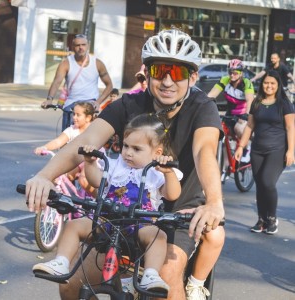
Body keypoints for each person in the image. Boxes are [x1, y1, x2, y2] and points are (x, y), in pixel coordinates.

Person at [25, 28, 225, 300]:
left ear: (192, 77)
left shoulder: (202, 107)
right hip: (124, 213)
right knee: (72, 285)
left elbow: (205, 150)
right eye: (159, 71)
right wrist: (45, 176)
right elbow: (87, 140)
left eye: (177, 73)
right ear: (148, 72)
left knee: (166, 279)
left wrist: (214, 201)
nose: (167, 81)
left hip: (178, 214)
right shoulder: (129, 104)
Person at [32, 113, 182, 293]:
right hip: (106, 221)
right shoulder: (115, 165)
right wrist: (90, 163)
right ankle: (61, 262)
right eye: (125, 146)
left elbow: (172, 194)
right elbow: (96, 181)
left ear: (157, 153)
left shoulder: (155, 172)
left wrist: (168, 173)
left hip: (140, 224)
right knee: (73, 225)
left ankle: (151, 274)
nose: (128, 152)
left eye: (136, 149)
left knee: (159, 236)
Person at [235, 70, 295, 234]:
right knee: (260, 185)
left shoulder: (284, 103)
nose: (269, 86)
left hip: (277, 150)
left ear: (277, 85)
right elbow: (249, 126)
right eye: (266, 83)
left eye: (272, 83)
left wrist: (291, 150)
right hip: (257, 150)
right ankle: (261, 219)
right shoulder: (257, 102)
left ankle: (272, 218)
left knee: (268, 182)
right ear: (262, 84)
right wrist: (241, 146)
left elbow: (290, 127)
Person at [42, 33, 113, 130]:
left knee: (88, 139)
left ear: (88, 46)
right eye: (77, 45)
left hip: (89, 104)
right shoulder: (66, 63)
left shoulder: (97, 63)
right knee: (66, 138)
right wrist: (49, 99)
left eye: (83, 45)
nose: (81, 48)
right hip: (71, 105)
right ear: (72, 47)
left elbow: (109, 85)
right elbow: (56, 82)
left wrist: (98, 102)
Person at [35, 102, 97, 197]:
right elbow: (58, 142)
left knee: (83, 180)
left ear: (88, 118)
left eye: (78, 115)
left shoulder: (95, 130)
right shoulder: (72, 130)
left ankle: (100, 202)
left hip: (92, 162)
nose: (74, 117)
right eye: (74, 114)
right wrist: (45, 147)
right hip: (76, 161)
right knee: (56, 176)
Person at [208, 59, 255, 139]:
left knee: (239, 130)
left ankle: (247, 149)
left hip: (242, 116)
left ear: (241, 73)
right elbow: (211, 95)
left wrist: (246, 116)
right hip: (229, 114)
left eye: (235, 73)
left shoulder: (246, 83)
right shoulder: (225, 80)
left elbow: (250, 100)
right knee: (217, 132)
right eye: (230, 72)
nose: (232, 75)